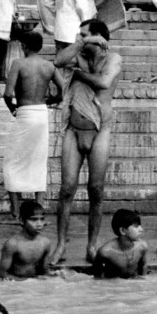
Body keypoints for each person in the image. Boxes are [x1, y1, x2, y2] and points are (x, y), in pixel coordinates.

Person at [49, 19, 123, 265]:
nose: (80, 39)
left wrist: (79, 74)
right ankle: (60, 245)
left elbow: (103, 82)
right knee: (66, 189)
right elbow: (58, 61)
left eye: (85, 34)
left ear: (100, 39)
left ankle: (91, 245)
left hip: (100, 129)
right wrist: (82, 41)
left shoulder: (113, 59)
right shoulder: (77, 54)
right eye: (79, 35)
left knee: (96, 190)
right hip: (74, 128)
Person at [1, 30, 64, 223]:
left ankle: (15, 213)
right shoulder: (49, 66)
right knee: (38, 160)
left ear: (23, 46)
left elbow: (7, 93)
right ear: (41, 47)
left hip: (25, 113)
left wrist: (13, 109)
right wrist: (52, 100)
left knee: (11, 162)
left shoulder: (18, 63)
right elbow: (64, 89)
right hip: (41, 113)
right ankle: (39, 212)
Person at [0, 200, 54, 279]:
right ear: (21, 221)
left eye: (42, 219)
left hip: (33, 285)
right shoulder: (13, 244)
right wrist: (27, 282)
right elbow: (2, 275)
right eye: (34, 220)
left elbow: (44, 270)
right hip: (16, 286)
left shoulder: (46, 243)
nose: (39, 224)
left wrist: (54, 276)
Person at [92, 209, 148, 278]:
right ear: (122, 230)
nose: (141, 229)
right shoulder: (105, 252)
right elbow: (97, 277)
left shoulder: (142, 247)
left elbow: (143, 267)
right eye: (136, 226)